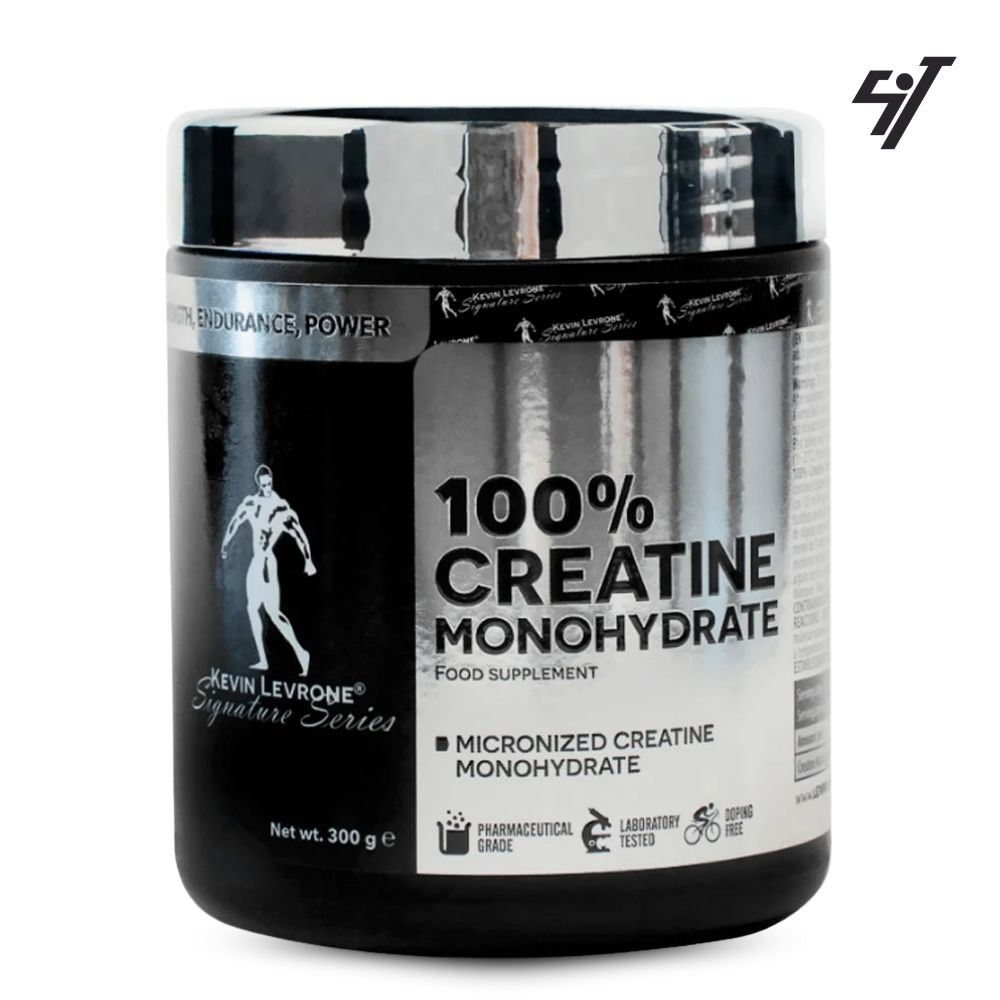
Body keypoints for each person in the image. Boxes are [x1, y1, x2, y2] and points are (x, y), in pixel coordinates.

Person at [221, 465, 316, 676]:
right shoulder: (251, 503)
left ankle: (301, 652)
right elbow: (235, 522)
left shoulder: (281, 508)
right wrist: (225, 545)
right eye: (263, 484)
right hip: (256, 562)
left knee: (273, 612)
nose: (266, 487)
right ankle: (263, 659)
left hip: (267, 563)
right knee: (252, 608)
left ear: (272, 481)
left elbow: (299, 534)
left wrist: (308, 560)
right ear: (258, 483)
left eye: (269, 484)